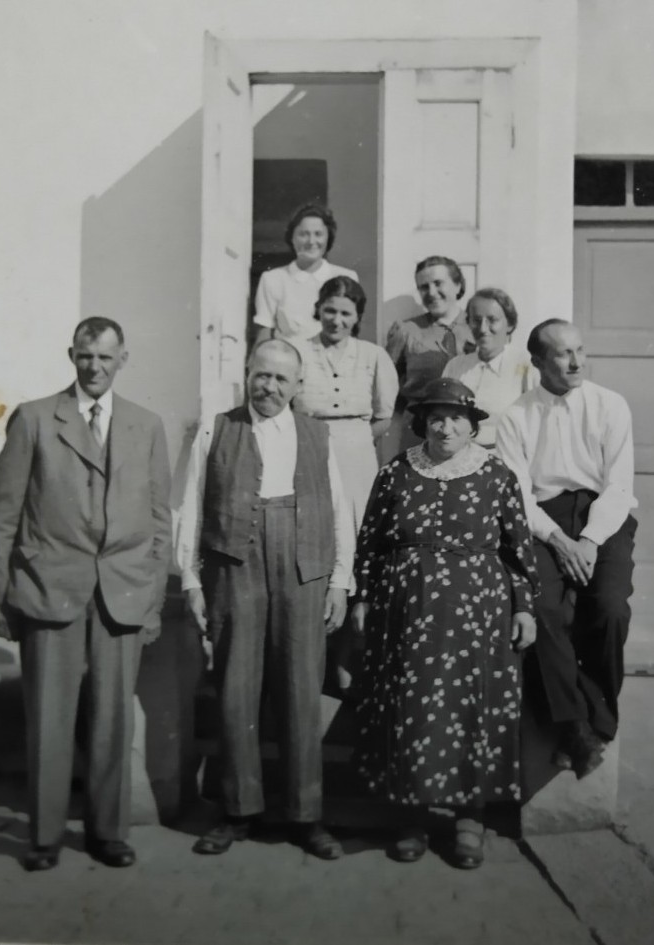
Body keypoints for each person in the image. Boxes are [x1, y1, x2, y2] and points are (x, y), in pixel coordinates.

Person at [0, 317, 172, 872]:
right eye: (86, 356)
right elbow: (0, 516)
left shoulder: (146, 426)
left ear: (122, 360)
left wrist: (152, 599)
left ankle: (107, 833)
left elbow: (160, 522)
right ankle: (43, 836)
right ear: (72, 355)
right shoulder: (35, 418)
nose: (94, 367)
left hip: (122, 591)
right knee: (49, 717)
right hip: (49, 589)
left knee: (113, 718)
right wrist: (3, 596)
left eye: (105, 358)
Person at [350, 377, 539, 870]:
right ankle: (411, 818)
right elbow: (370, 541)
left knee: (472, 708)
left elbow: (517, 548)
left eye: (456, 418)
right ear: (422, 424)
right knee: (411, 708)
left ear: (472, 425)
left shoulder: (496, 475)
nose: (445, 427)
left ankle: (469, 819)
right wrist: (364, 597)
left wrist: (523, 606)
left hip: (477, 610)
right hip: (406, 609)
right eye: (436, 418)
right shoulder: (396, 473)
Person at [177, 338, 355, 860]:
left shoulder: (316, 435)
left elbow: (339, 508)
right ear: (247, 373)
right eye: (262, 375)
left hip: (304, 571)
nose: (269, 386)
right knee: (236, 690)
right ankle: (237, 811)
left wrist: (340, 580)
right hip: (235, 569)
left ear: (297, 385)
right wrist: (191, 581)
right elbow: (190, 505)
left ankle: (306, 815)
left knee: (301, 692)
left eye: (281, 379)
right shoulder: (215, 429)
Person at [494, 319, 637, 779]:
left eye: (580, 350)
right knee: (538, 609)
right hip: (543, 521)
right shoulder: (516, 417)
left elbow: (619, 486)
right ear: (538, 362)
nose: (576, 362)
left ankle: (599, 719)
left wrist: (589, 541)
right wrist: (559, 541)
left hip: (603, 517)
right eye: (562, 353)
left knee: (610, 609)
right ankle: (574, 726)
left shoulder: (610, 405)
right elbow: (518, 496)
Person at [295, 275, 398, 691]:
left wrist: (351, 442)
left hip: (356, 457)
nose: (336, 320)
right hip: (307, 451)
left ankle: (346, 658)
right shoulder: (299, 351)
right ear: (318, 310)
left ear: (357, 317)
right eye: (329, 310)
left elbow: (384, 415)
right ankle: (310, 655)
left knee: (355, 545)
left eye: (345, 313)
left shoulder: (373, 356)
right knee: (315, 542)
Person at [384, 255, 474, 453]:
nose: (432, 293)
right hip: (420, 429)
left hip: (469, 428)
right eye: (424, 287)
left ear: (458, 285)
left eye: (438, 283)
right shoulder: (406, 330)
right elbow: (387, 383)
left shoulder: (477, 327)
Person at [253, 203, 358, 347]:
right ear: (292, 238)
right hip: (289, 358)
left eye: (318, 234)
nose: (311, 241)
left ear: (328, 237)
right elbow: (265, 332)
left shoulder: (346, 277)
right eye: (303, 234)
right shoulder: (273, 279)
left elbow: (350, 332)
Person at [443, 287, 534, 448]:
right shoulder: (456, 366)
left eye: (492, 320)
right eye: (476, 320)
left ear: (510, 324)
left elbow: (535, 423)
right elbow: (442, 414)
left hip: (506, 454)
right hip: (459, 454)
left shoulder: (525, 366)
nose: (483, 328)